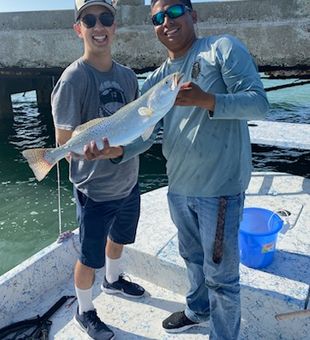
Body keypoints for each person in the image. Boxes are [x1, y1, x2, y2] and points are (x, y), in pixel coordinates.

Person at [88, 0, 269, 339]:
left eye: (173, 12)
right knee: (191, 257)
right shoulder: (158, 80)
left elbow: (259, 103)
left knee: (222, 278)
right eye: (158, 18)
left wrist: (209, 100)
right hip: (179, 187)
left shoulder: (221, 49)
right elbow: (145, 135)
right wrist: (115, 152)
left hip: (221, 190)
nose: (166, 22)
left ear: (193, 15)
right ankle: (197, 310)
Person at [51, 1, 145, 339]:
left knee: (120, 238)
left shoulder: (128, 76)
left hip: (129, 183)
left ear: (114, 25)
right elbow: (64, 143)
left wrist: (120, 151)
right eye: (89, 20)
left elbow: (138, 132)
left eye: (105, 18)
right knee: (90, 258)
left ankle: (114, 280)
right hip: (94, 192)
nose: (98, 26)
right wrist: (83, 153)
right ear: (79, 29)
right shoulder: (72, 80)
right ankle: (84, 310)